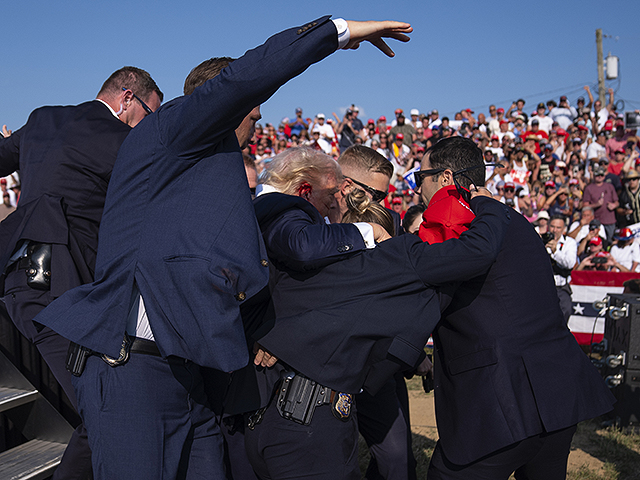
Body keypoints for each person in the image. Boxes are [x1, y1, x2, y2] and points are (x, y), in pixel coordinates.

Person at [34, 17, 414, 479]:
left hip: (190, 378)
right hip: (135, 369)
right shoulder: (170, 130)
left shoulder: (205, 173)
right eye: (252, 113)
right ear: (219, 104)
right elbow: (246, 77)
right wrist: (337, 33)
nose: (257, 124)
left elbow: (233, 275)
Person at [237, 147, 510, 480]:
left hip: (282, 414)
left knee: (395, 459)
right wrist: (490, 206)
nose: (380, 201)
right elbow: (477, 251)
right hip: (304, 419)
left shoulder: (326, 252)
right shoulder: (292, 214)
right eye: (374, 194)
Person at [414, 136, 615, 479]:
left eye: (421, 178)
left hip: (499, 402)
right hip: (557, 394)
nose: (419, 190)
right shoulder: (513, 218)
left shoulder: (460, 226)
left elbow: (427, 294)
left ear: (445, 178)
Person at [0, 67, 162, 480]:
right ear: (127, 98)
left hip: (21, 276)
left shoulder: (43, 118)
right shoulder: (127, 143)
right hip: (64, 291)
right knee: (106, 412)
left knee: (102, 409)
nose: (149, 125)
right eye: (149, 112)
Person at [546, 215, 578, 322]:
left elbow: (570, 263)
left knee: (566, 312)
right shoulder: (540, 240)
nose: (555, 230)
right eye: (552, 226)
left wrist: (555, 251)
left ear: (564, 229)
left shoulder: (569, 243)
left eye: (558, 228)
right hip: (543, 286)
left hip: (560, 287)